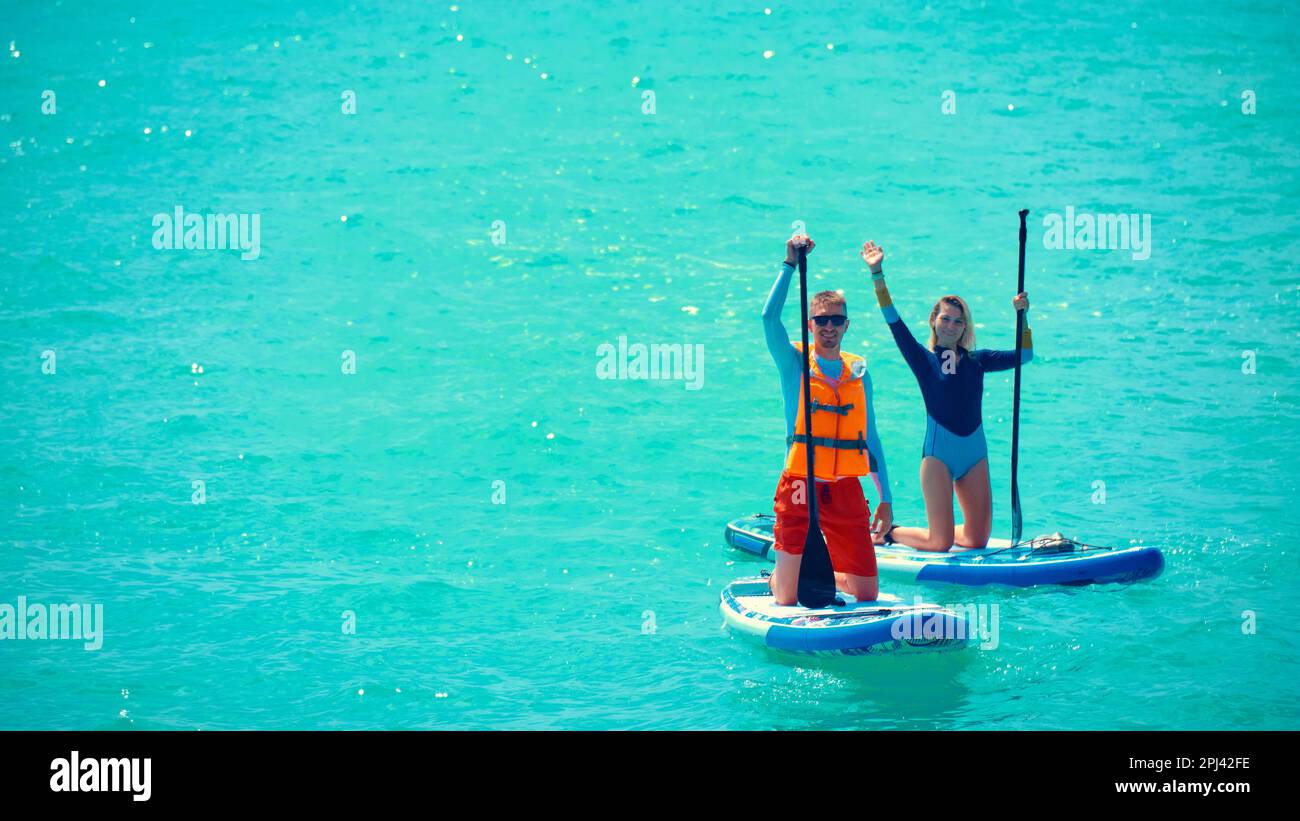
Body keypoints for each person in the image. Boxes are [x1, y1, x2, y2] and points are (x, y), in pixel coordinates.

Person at [861, 239, 1032, 552]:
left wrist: (1022, 317)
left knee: (976, 540)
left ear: (964, 325)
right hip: (938, 458)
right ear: (933, 322)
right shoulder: (923, 360)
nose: (951, 326)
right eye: (945, 319)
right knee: (940, 544)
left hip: (974, 455)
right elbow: (893, 320)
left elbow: (1025, 355)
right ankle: (893, 533)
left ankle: (938, 528)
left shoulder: (979, 360)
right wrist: (877, 274)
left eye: (958, 320)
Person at [762, 234, 892, 604]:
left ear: (846, 325)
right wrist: (789, 265)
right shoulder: (793, 363)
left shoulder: (859, 372)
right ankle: (780, 578)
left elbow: (871, 439)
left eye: (836, 320)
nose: (829, 327)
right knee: (785, 599)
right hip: (800, 483)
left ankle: (819, 573)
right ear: (810, 324)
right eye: (822, 320)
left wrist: (886, 498)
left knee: (867, 593)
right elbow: (768, 318)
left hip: (845, 486)